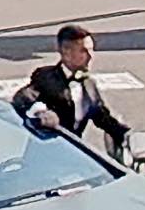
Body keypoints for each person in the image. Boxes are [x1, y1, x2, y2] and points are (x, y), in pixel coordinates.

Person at [13, 23, 133, 164]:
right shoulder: (46, 77)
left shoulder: (89, 84)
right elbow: (23, 98)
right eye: (83, 51)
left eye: (91, 50)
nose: (90, 56)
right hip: (43, 158)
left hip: (73, 157)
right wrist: (41, 111)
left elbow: (103, 118)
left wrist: (128, 136)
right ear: (66, 53)